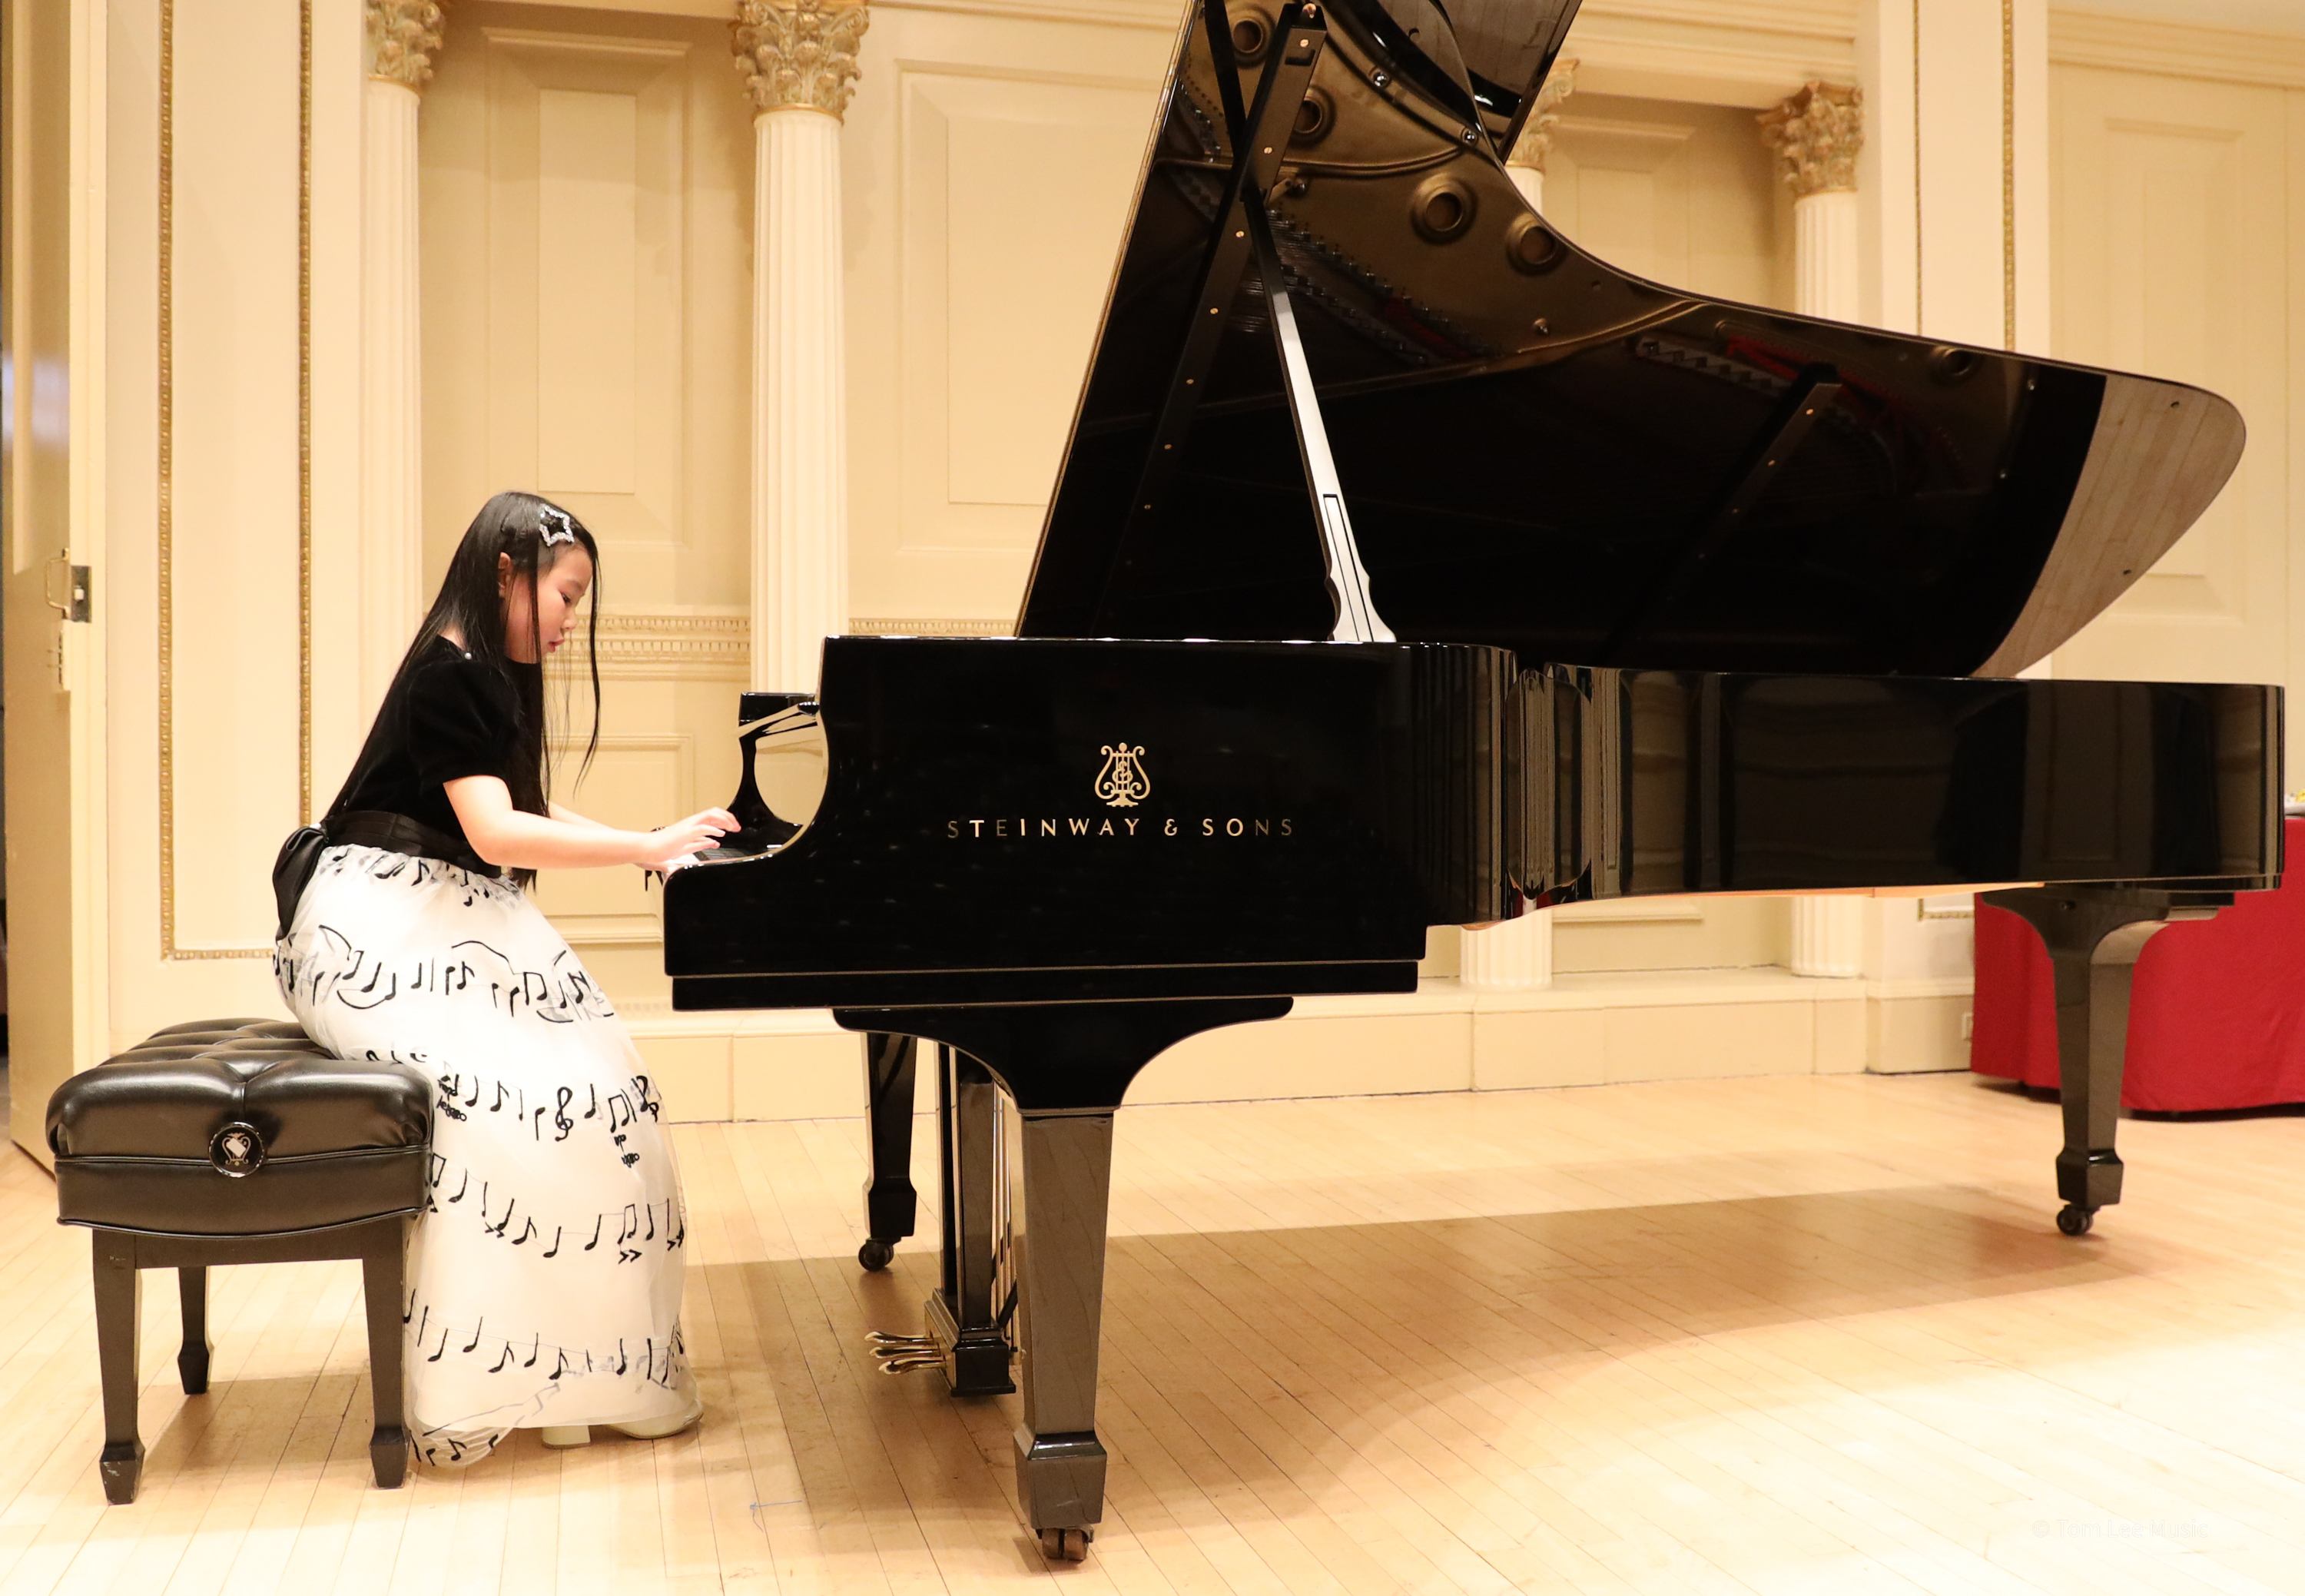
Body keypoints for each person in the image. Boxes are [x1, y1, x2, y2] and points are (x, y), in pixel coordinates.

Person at [273, 490, 735, 1467]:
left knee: (602, 1096)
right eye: (565, 597)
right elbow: (496, 833)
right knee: (518, 1110)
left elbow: (519, 807)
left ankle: (576, 1377)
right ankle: (532, 1379)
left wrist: (650, 844)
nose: (571, 624)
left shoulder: (480, 676)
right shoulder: (447, 673)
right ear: (505, 573)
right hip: (375, 926)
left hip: (436, 914)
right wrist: (644, 845)